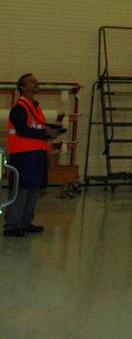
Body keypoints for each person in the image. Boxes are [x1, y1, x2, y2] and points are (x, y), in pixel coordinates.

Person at [5, 74, 65, 237]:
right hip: (23, 155)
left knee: (33, 189)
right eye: (32, 82)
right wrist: (46, 132)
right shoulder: (19, 108)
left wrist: (52, 132)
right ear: (23, 87)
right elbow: (22, 130)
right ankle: (11, 225)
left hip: (36, 154)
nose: (36, 83)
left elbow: (37, 128)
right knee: (21, 189)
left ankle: (25, 222)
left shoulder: (35, 108)